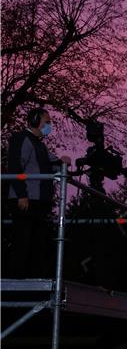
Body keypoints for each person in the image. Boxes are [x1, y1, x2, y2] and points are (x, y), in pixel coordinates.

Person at [6, 107, 70, 278]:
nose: (49, 126)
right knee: (22, 244)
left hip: (40, 202)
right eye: (46, 122)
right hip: (26, 200)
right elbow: (14, 167)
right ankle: (15, 283)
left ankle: (33, 282)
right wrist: (21, 195)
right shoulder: (21, 139)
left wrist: (63, 162)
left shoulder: (39, 144)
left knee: (37, 245)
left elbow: (53, 163)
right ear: (35, 121)